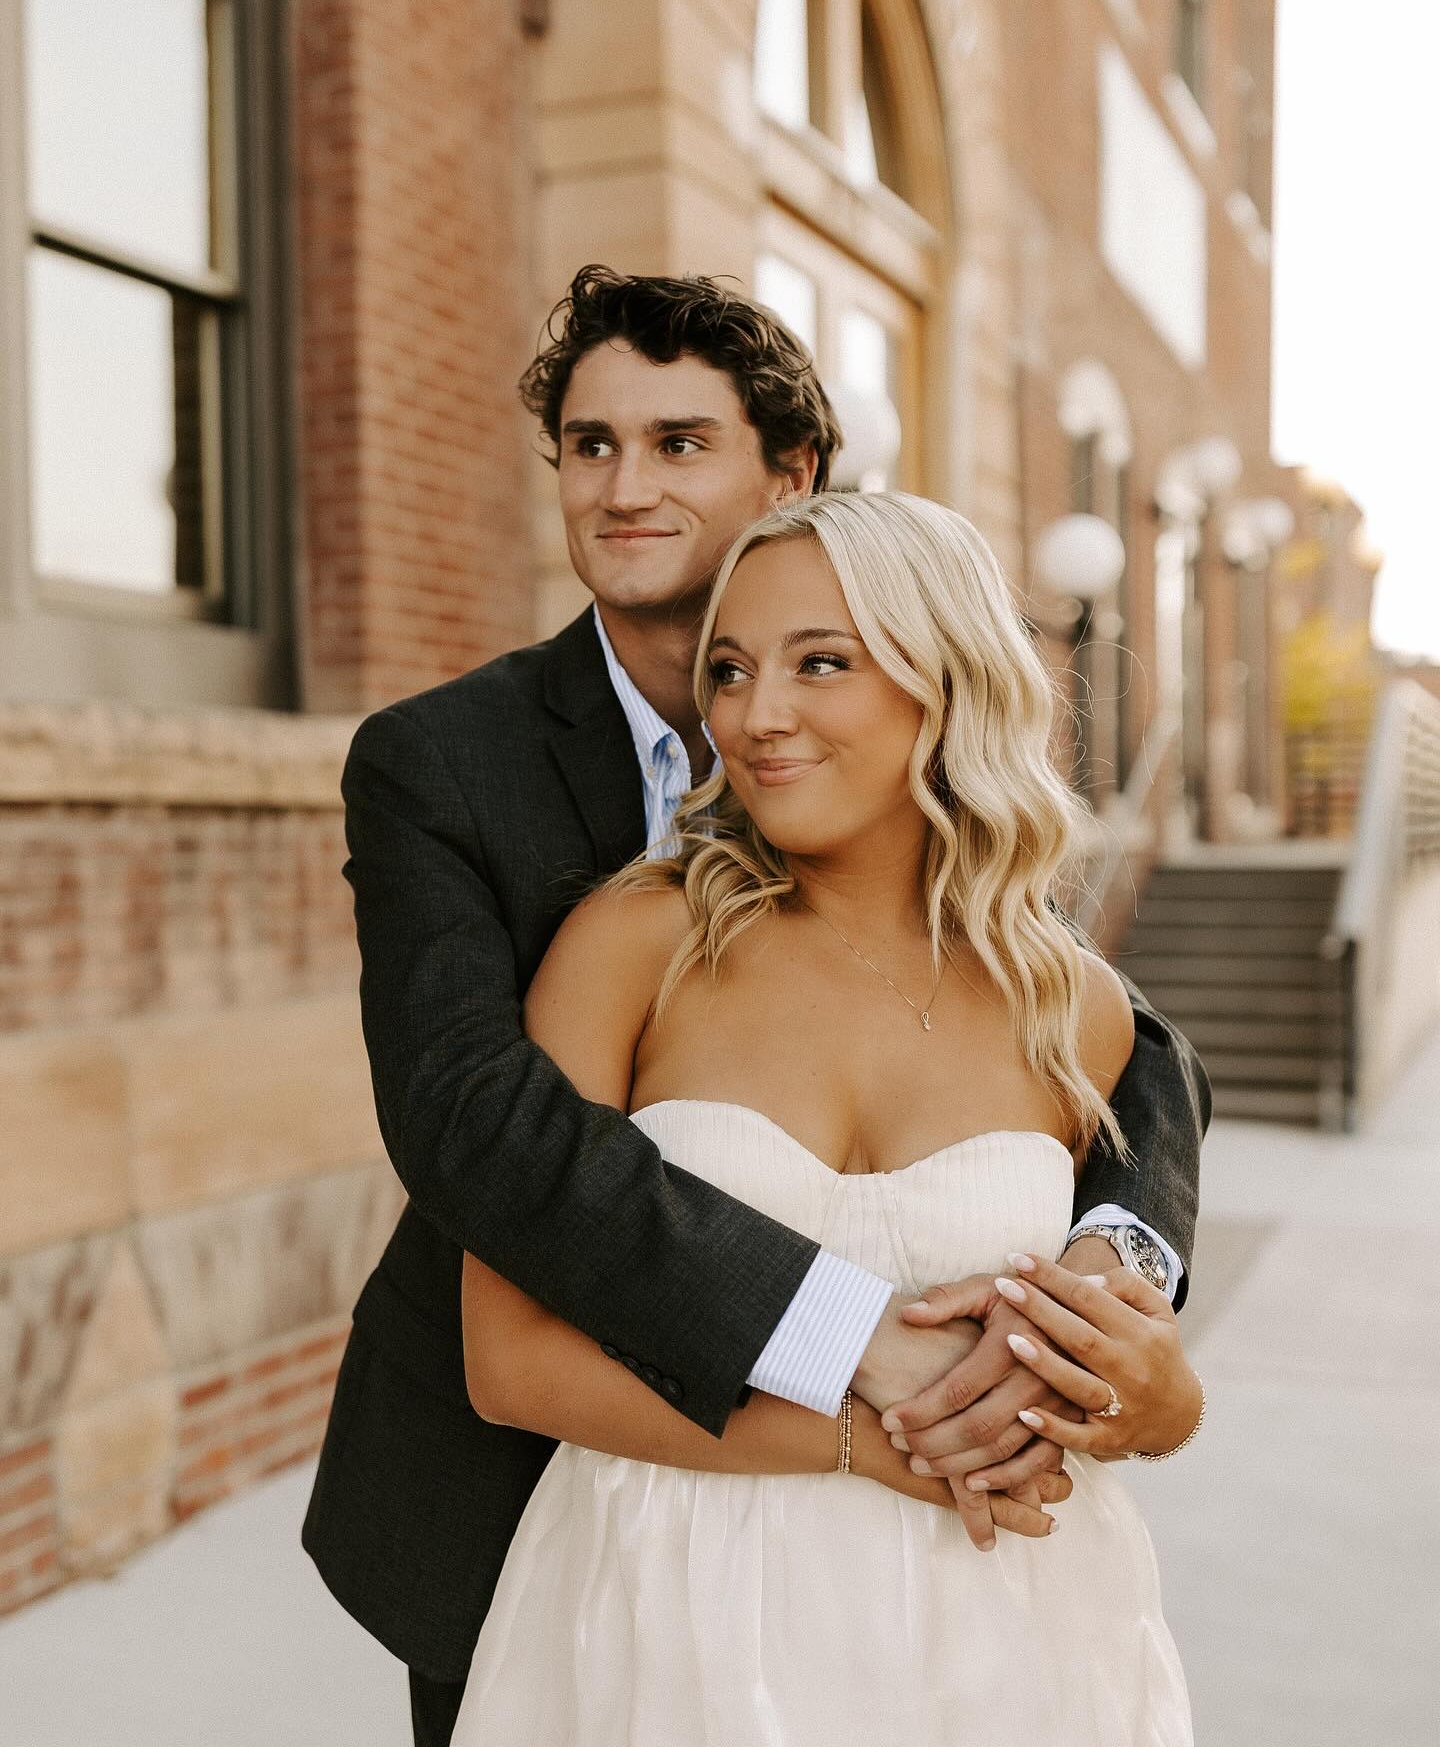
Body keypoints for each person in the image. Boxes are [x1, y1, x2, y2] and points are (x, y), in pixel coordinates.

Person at [301, 268, 1209, 1747]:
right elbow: (478, 1125)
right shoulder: (450, 774)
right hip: (559, 1519)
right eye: (589, 446)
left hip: (988, 1613)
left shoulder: (1028, 964)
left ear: (792, 472)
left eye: (677, 443)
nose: (624, 487)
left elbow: (1130, 1064)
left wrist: (1134, 1299)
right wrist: (861, 1368)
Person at [453, 490, 1200, 1744]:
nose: (755, 715)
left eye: (822, 663)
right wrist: (866, 1447)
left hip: (1006, 1630)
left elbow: (1138, 1384)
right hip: (668, 1617)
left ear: (942, 680)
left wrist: (1157, 1399)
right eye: (731, 669)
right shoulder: (633, 944)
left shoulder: (1071, 1006)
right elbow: (510, 1360)